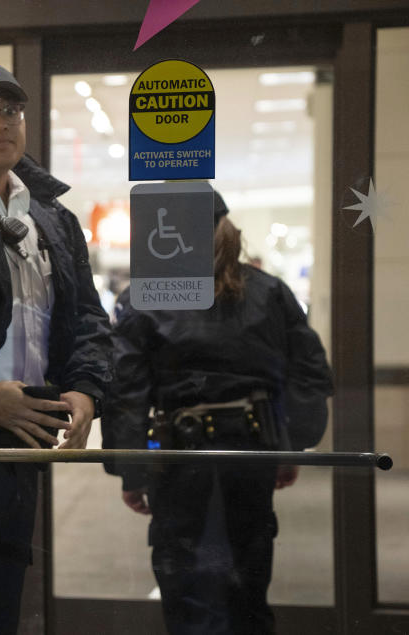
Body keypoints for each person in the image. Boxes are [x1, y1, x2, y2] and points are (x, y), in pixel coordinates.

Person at [0, 59, 113, 633]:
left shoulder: (52, 217)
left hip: (23, 444)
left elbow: (87, 318)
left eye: (9, 111)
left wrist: (85, 390)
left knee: (2, 608)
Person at [101, 192, 333, 635]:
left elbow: (126, 390)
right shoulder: (268, 291)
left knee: (184, 583)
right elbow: (309, 373)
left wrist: (131, 470)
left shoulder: (145, 297)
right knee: (248, 581)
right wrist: (290, 445)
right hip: (252, 449)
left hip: (179, 455)